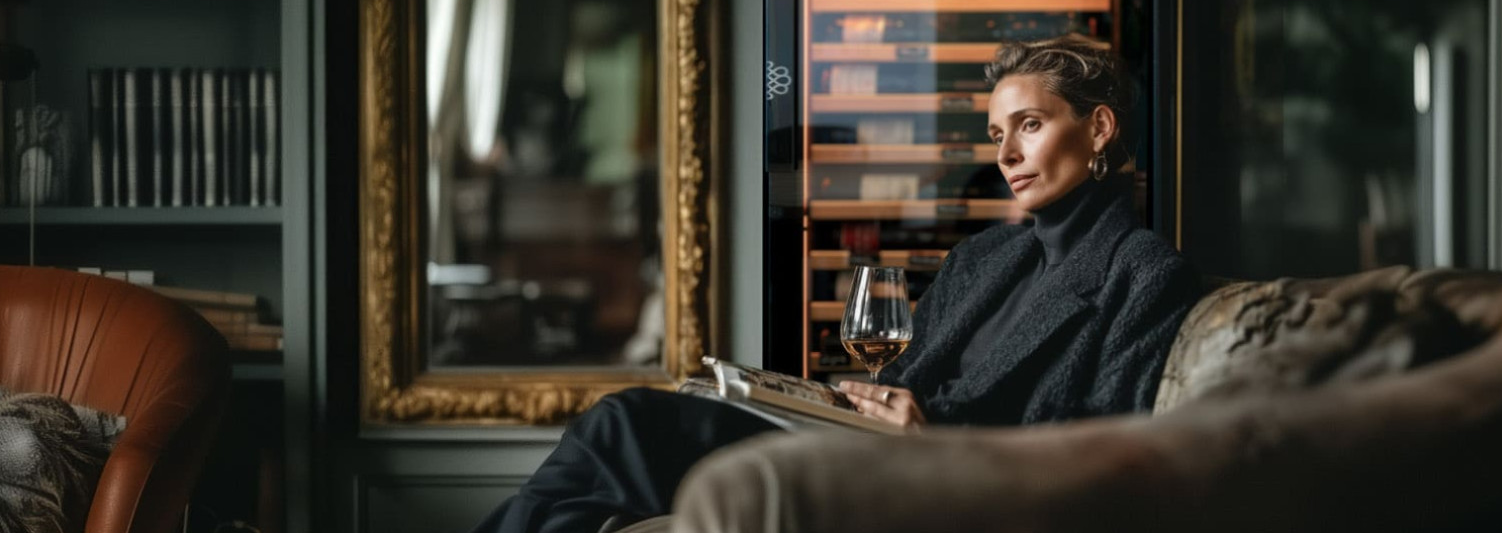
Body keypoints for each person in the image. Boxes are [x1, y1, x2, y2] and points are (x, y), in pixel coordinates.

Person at [471, 34, 1202, 532]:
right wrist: (833, 403)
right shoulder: (985, 257)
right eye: (996, 133)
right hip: (867, 451)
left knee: (619, 435)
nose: (1007, 152)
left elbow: (1107, 455)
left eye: (1030, 124)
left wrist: (938, 437)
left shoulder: (1144, 273)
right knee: (621, 422)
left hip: (940, 487)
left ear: (1100, 129)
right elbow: (907, 380)